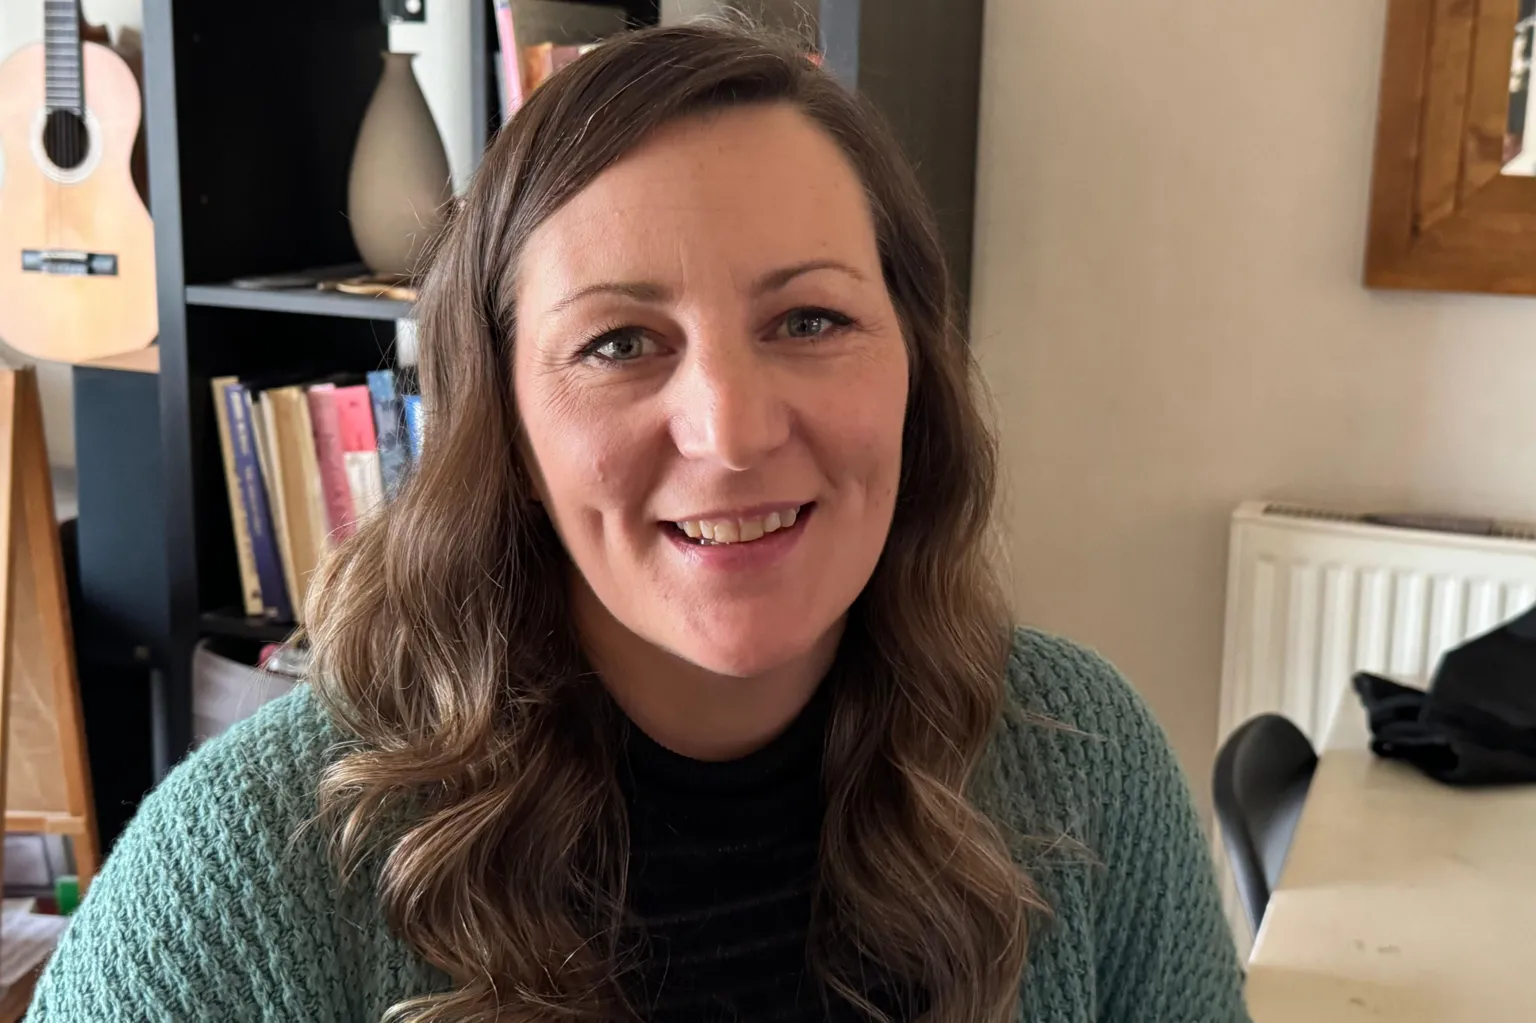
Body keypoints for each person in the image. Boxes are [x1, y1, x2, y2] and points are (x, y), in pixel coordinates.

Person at [26, 24, 1249, 1023]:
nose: (730, 431)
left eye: (810, 321)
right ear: (500, 424)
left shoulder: (1083, 765)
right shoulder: (243, 877)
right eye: (618, 344)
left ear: (917, 367)